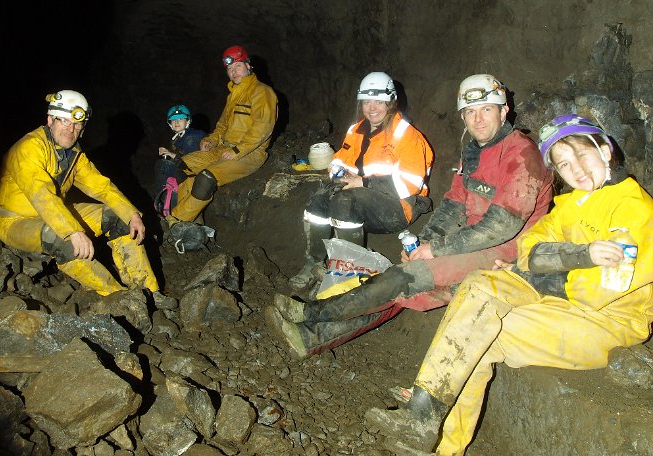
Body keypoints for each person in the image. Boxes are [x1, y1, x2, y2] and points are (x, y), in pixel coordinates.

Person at [366, 115, 653, 455]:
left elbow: (597, 291)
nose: (575, 169)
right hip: (562, 301)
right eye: (563, 164)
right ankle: (423, 417)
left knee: (479, 336)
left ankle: (444, 446)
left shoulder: (635, 210)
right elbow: (530, 248)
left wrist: (546, 266)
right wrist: (578, 256)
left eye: (582, 155)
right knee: (477, 286)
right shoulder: (571, 204)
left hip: (607, 320)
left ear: (605, 151)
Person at [267, 74, 554, 359]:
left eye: (486, 110)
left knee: (402, 280)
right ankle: (309, 337)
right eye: (470, 112)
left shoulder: (522, 154)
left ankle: (310, 312)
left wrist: (436, 249)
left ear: (504, 111)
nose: (478, 119)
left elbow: (502, 226)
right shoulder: (474, 152)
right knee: (403, 289)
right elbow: (453, 204)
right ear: (463, 117)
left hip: (504, 251)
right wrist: (423, 243)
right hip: (469, 239)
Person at [0, 90, 159, 295]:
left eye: (77, 124)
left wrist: (131, 214)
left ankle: (148, 291)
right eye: (64, 121)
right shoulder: (29, 148)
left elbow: (101, 187)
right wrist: (73, 231)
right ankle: (116, 296)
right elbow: (42, 195)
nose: (70, 129)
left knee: (118, 217)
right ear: (50, 120)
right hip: (16, 221)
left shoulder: (73, 154)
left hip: (55, 213)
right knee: (64, 241)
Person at [288, 71, 434, 292]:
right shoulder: (356, 130)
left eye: (379, 101)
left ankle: (352, 270)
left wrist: (364, 183)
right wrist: (338, 173)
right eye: (367, 101)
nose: (372, 108)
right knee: (319, 199)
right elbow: (339, 160)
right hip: (364, 199)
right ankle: (314, 262)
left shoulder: (406, 134)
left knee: (344, 201)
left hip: (399, 206)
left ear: (391, 102)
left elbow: (411, 183)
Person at [164, 45, 277, 225]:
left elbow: (262, 129)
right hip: (223, 148)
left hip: (250, 153)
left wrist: (237, 150)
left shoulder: (262, 92)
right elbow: (222, 125)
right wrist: (210, 140)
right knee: (181, 166)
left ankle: (177, 221)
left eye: (237, 66)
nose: (234, 72)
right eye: (230, 69)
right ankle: (189, 216)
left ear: (248, 66)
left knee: (206, 177)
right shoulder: (233, 96)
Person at [153, 105, 206, 211]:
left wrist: (172, 155)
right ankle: (166, 198)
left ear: (187, 121)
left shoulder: (193, 136)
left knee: (162, 165)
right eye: (173, 120)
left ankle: (165, 200)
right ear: (170, 124)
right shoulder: (178, 138)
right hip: (183, 172)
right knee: (162, 163)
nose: (176, 122)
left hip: (193, 175)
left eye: (180, 119)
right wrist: (168, 155)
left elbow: (192, 163)